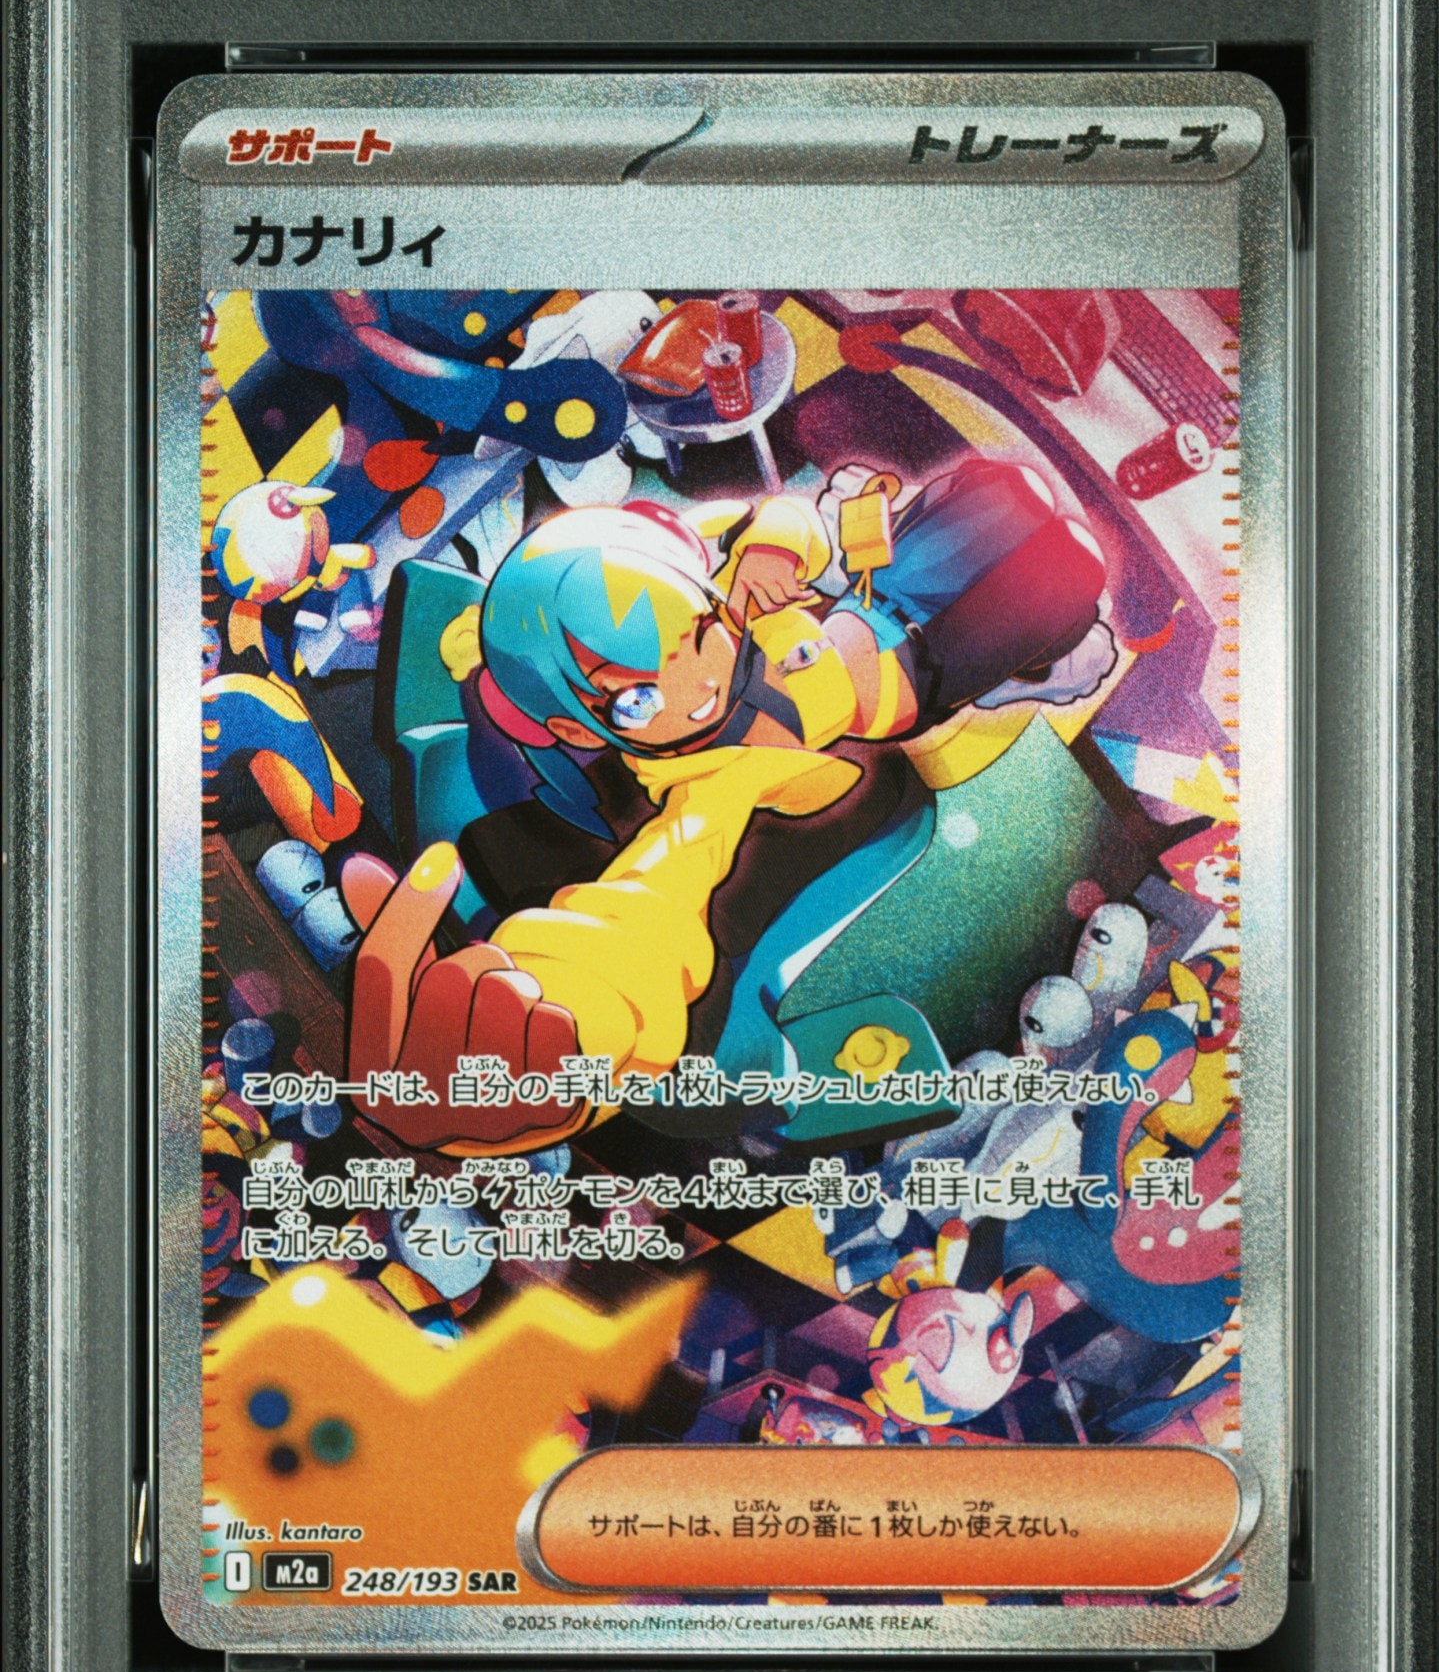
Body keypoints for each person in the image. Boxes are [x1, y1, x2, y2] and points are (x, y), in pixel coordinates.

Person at [345, 458, 1111, 1155]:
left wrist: (770, 549)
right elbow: (648, 902)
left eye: (699, 635)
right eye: (638, 697)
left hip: (871, 605)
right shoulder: (707, 786)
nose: (698, 686)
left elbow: (786, 521)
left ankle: (1020, 625)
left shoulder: (722, 589)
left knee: (1007, 494)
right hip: (914, 678)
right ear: (580, 726)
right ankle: (1039, 661)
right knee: (1066, 574)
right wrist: (582, 1018)